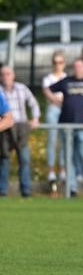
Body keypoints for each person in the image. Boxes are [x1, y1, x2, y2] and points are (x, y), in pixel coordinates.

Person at [46, 58, 83, 196]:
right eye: (76, 66)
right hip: (66, 125)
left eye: (80, 66)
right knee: (69, 157)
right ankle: (72, 188)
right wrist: (55, 100)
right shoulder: (66, 81)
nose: (78, 69)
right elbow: (48, 89)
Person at [0, 66, 40, 197]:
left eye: (8, 74)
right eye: (3, 74)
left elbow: (33, 103)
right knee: (4, 159)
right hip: (5, 128)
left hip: (21, 126)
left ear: (13, 75)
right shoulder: (0, 90)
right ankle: (2, 190)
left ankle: (26, 190)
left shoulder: (21, 88)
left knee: (24, 158)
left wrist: (35, 118)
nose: (6, 76)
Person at [42, 50, 68, 187]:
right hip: (53, 110)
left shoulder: (67, 77)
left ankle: (63, 170)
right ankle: (51, 171)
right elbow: (49, 95)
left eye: (60, 62)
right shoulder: (48, 78)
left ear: (64, 63)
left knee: (65, 141)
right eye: (55, 62)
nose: (58, 65)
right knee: (52, 141)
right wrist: (60, 101)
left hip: (65, 110)